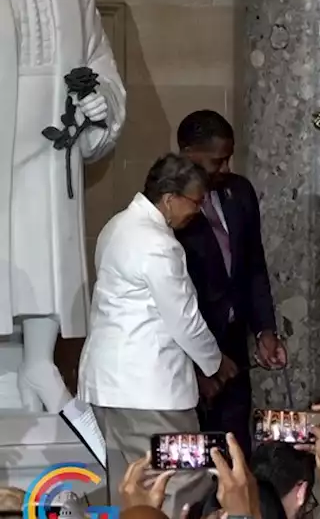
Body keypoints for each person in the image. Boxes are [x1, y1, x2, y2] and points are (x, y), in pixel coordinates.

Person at [0, 0, 127, 415]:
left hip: (52, 141)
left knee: (46, 244)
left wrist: (100, 104)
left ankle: (38, 360)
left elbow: (98, 57)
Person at [78, 154, 238, 516]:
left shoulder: (116, 226)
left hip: (108, 385)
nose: (197, 211)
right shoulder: (158, 244)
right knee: (181, 483)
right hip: (148, 390)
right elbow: (184, 320)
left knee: (129, 486)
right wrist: (215, 363)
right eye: (195, 202)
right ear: (169, 199)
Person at [174, 110, 287, 451]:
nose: (224, 169)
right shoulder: (170, 207)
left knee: (237, 451)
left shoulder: (239, 193)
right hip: (189, 357)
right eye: (216, 161)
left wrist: (265, 329)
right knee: (195, 463)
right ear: (187, 154)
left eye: (228, 159)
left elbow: (253, 265)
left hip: (235, 351)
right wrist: (198, 368)